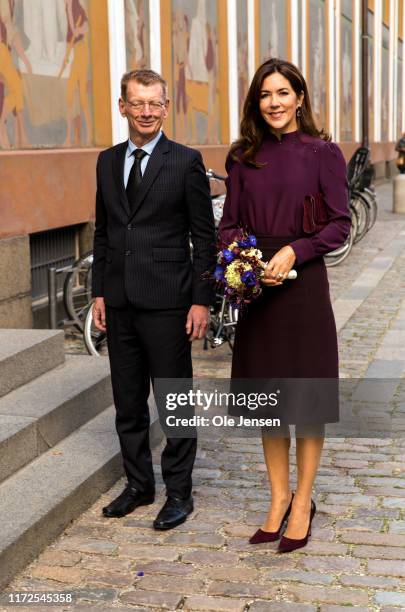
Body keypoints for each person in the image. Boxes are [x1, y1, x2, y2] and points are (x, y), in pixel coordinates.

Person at [219, 58, 350, 552]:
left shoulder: (323, 152)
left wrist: (297, 248)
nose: (273, 103)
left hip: (304, 286)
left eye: (282, 93)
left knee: (307, 399)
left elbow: (340, 223)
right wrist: (247, 260)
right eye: (265, 95)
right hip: (259, 291)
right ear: (257, 102)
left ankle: (303, 501)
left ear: (299, 97)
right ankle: (277, 498)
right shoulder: (242, 156)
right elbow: (228, 223)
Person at [92, 69, 215, 530]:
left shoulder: (184, 161)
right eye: (137, 103)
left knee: (174, 400)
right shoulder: (106, 161)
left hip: (169, 303)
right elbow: (104, 232)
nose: (146, 111)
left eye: (154, 104)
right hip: (120, 300)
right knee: (128, 403)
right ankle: (139, 485)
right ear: (121, 106)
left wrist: (201, 300)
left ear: (166, 108)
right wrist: (100, 291)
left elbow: (204, 239)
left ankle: (179, 494)